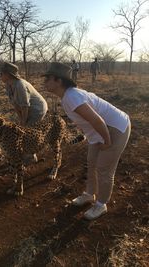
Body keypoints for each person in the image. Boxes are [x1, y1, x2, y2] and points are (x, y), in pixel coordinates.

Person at [43, 62, 131, 220]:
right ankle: (90, 194)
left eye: (48, 78)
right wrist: (94, 138)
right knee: (91, 163)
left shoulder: (72, 97)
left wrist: (107, 141)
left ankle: (101, 204)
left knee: (104, 169)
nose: (44, 82)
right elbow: (91, 123)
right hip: (99, 131)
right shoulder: (67, 97)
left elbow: (98, 121)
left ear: (59, 81)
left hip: (115, 128)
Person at [0, 61, 48, 163]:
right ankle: (26, 154)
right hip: (27, 109)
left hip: (37, 109)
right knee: (23, 128)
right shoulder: (8, 85)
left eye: (2, 73)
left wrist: (24, 123)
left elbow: (25, 107)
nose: (0, 76)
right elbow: (16, 105)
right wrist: (21, 120)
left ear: (8, 74)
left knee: (28, 131)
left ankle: (31, 157)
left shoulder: (20, 85)